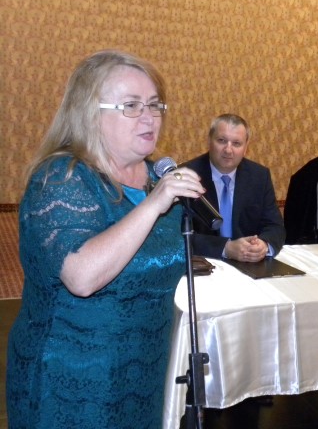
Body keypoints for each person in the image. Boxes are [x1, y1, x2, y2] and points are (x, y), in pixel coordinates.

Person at [6, 50, 207, 428]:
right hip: (70, 380)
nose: (149, 117)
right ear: (89, 113)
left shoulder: (157, 177)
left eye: (154, 105)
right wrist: (153, 205)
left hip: (144, 371)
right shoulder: (61, 178)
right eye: (131, 105)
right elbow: (81, 277)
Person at [184, 114, 285, 261]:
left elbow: (275, 226)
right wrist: (225, 248)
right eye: (221, 140)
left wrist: (263, 245)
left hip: (249, 264)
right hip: (205, 262)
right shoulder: (187, 176)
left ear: (245, 148)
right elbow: (177, 236)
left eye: (236, 143)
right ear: (209, 141)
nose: (228, 150)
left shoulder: (259, 176)